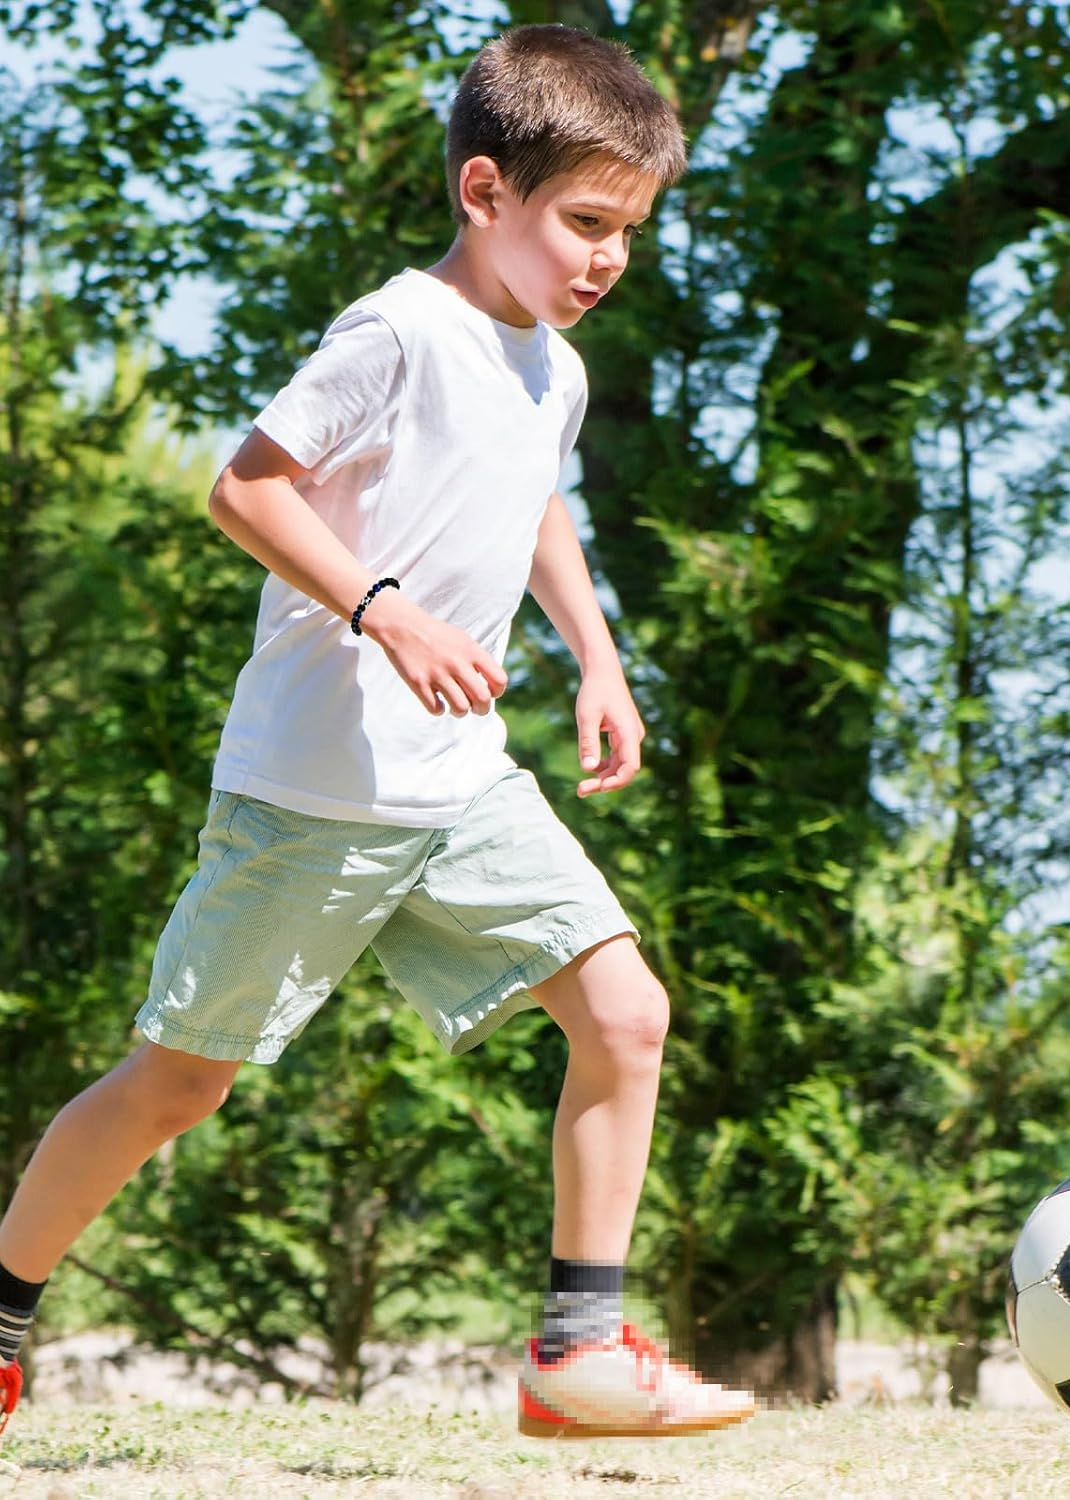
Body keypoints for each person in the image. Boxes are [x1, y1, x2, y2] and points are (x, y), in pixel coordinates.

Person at [0, 23, 756, 1443]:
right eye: (586, 223)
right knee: (179, 1084)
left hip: (461, 787)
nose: (610, 258)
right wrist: (384, 610)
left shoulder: (556, 371)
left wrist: (598, 658)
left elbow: (533, 501)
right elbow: (246, 488)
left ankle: (576, 1354)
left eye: (629, 232)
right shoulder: (397, 331)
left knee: (627, 1014)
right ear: (485, 192)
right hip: (315, 790)